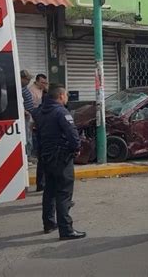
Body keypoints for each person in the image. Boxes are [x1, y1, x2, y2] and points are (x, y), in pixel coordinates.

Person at [34, 84, 86, 240]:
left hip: (46, 157)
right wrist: (76, 148)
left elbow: (37, 134)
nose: (67, 98)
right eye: (66, 95)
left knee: (49, 191)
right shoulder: (61, 112)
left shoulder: (40, 112)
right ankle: (66, 230)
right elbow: (72, 133)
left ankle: (49, 223)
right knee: (64, 193)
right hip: (61, 157)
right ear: (61, 96)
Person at [21, 70, 35, 159]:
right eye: (27, 79)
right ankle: (27, 156)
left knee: (29, 135)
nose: (29, 81)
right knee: (27, 137)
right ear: (21, 78)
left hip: (29, 115)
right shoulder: (18, 88)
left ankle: (29, 154)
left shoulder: (24, 87)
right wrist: (24, 110)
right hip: (25, 116)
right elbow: (17, 101)